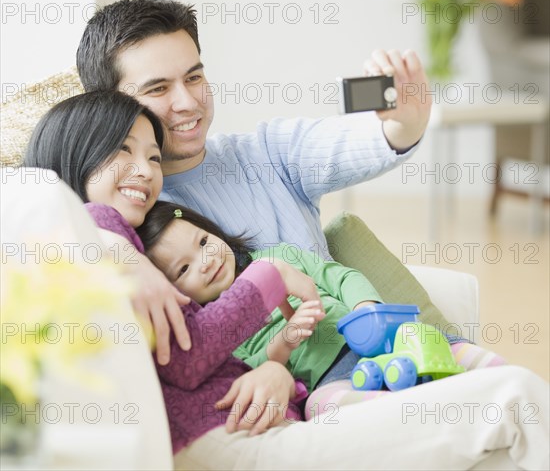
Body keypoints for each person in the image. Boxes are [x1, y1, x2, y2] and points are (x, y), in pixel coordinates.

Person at [20, 90, 550, 470]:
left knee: (503, 438)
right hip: (225, 441)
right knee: (514, 396)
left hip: (268, 420)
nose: (146, 171)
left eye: (153, 156)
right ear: (77, 154)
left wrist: (278, 375)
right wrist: (270, 278)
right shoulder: (92, 230)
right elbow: (188, 358)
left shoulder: (127, 245)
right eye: (123, 151)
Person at [75, 0, 434, 358]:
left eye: (194, 77)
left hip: (367, 354)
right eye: (158, 89)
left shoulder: (268, 152)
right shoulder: (126, 207)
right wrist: (121, 251)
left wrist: (405, 124)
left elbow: (364, 142)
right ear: (110, 105)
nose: (187, 102)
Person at [137, 200, 507, 420]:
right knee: (320, 406)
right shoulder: (217, 325)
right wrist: (285, 340)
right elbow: (254, 365)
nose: (205, 261)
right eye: (183, 269)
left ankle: (494, 373)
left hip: (376, 332)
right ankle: (400, 405)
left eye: (203, 241)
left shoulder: (277, 256)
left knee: (433, 340)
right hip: (333, 374)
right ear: (171, 290)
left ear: (212, 229)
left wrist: (366, 307)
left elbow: (340, 277)